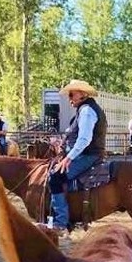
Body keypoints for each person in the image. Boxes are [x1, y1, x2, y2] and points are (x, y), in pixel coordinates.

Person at [47, 79, 107, 234]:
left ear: (83, 94)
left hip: (88, 155)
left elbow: (84, 140)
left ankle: (61, 222)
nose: (70, 98)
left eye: (72, 94)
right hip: (86, 153)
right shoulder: (84, 110)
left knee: (55, 178)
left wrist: (68, 158)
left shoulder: (87, 111)